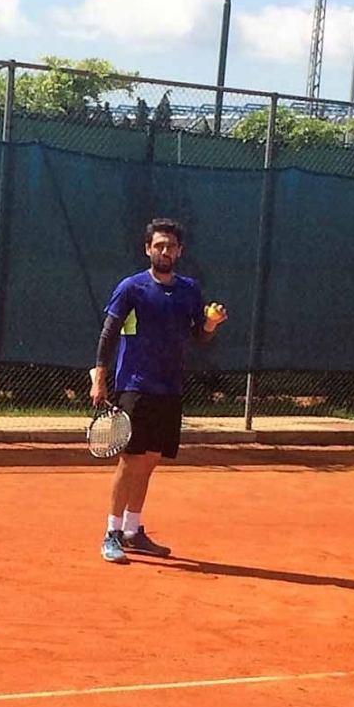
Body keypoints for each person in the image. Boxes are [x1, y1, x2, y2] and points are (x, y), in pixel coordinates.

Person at [90, 218, 228, 564]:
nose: (165, 251)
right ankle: (111, 533)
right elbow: (109, 333)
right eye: (159, 245)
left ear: (180, 251)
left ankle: (132, 531)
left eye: (171, 246)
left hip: (169, 387)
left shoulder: (189, 290)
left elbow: (198, 336)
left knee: (150, 460)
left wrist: (210, 324)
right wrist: (99, 377)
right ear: (148, 249)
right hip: (135, 386)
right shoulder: (131, 288)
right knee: (130, 461)